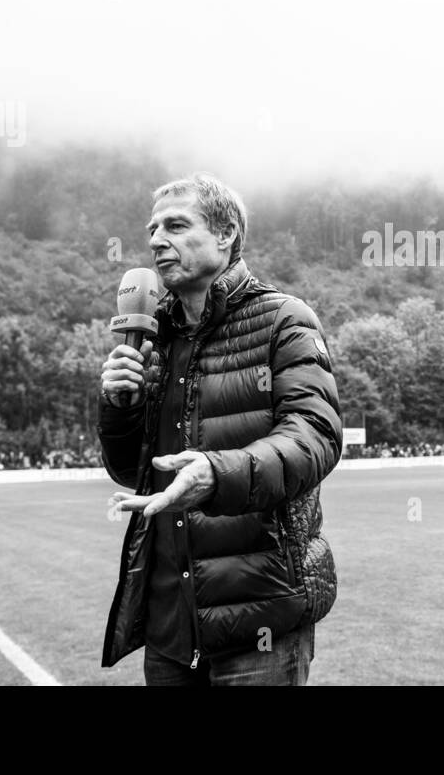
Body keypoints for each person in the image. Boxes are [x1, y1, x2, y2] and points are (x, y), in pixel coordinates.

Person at [98, 173, 342, 686]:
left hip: (258, 623)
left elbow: (315, 437)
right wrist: (119, 405)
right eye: (152, 230)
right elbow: (131, 471)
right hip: (170, 624)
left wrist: (218, 472)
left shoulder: (283, 319)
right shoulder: (154, 337)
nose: (156, 240)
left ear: (226, 232)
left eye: (176, 225)